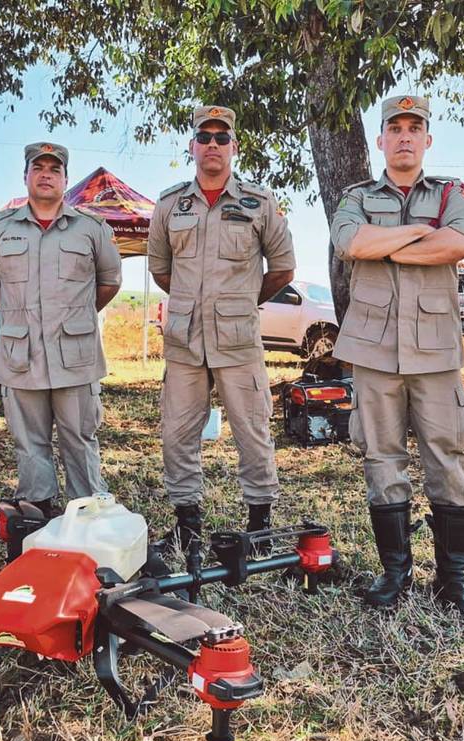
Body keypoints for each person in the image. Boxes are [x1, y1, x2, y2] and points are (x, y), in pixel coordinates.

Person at [329, 95, 464, 612]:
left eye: (414, 128)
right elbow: (350, 243)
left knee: (448, 457)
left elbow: (462, 243)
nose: (404, 136)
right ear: (381, 140)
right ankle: (395, 573)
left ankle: (452, 578)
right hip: (372, 349)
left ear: (426, 140)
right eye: (394, 128)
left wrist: (388, 243)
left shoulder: (451, 192)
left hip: (436, 349)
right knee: (381, 459)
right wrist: (421, 231)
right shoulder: (356, 196)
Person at [146, 105, 296, 552]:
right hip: (185, 340)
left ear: (235, 146)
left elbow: (283, 268)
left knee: (252, 430)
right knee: (177, 432)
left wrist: (241, 301)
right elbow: (160, 269)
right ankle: (187, 523)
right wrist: (194, 303)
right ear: (192, 146)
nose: (213, 144)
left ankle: (260, 526)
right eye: (204, 136)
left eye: (222, 137)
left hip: (239, 341)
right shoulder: (171, 204)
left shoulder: (259, 203)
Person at [0, 142, 121, 516]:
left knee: (80, 437)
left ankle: (87, 509)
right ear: (25, 176)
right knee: (29, 440)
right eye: (37, 168)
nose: (45, 175)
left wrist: (75, 318)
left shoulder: (91, 228)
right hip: (21, 354)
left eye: (54, 169)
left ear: (65, 179)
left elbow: (109, 282)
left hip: (75, 354)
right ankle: (37, 509)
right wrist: (19, 316)